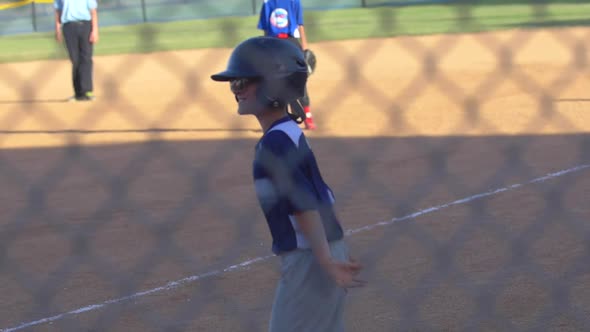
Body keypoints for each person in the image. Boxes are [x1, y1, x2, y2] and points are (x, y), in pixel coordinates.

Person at [211, 36, 365, 332]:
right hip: (326, 247)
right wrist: (336, 250)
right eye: (234, 84)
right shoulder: (290, 133)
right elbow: (323, 195)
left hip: (310, 258)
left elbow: (304, 204)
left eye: (243, 83)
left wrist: (325, 260)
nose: (236, 91)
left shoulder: (274, 145)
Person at [257, 0, 316, 130]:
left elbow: (300, 24)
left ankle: (307, 117)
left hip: (291, 42)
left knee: (300, 82)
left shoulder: (294, 1)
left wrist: (304, 47)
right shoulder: (267, 2)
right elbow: (266, 29)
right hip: (274, 43)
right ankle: (284, 119)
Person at [54, 0, 99, 102]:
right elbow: (58, 11)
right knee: (75, 60)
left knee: (86, 58)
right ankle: (78, 93)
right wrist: (57, 28)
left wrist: (95, 30)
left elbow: (93, 11)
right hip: (68, 26)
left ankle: (87, 91)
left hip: (85, 25)